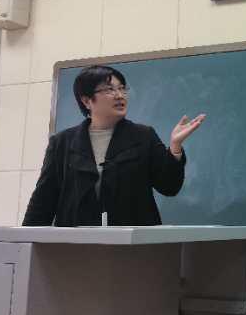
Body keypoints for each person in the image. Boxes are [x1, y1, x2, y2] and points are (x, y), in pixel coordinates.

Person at [23, 65, 205, 227]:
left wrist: (175, 148)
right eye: (110, 89)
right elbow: (43, 201)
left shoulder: (143, 136)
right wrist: (25, 243)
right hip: (75, 245)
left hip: (133, 245)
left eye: (122, 89)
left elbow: (169, 186)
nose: (119, 95)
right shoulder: (62, 143)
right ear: (87, 101)